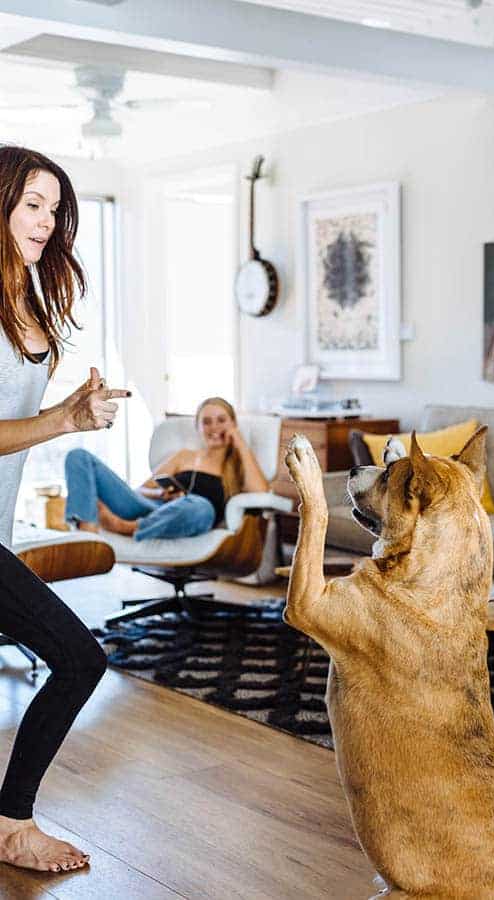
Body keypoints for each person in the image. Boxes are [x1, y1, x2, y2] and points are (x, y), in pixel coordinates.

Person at [0, 145, 130, 873]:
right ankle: (13, 824)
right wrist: (63, 423)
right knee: (80, 657)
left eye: (54, 208)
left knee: (75, 660)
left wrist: (71, 409)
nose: (47, 222)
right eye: (31, 205)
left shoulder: (31, 302)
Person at [64, 397, 269, 539]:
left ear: (233, 424)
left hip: (194, 517)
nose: (214, 427)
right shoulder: (184, 456)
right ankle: (87, 533)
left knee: (200, 505)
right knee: (78, 456)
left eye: (221, 420)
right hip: (152, 507)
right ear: (198, 427)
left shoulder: (239, 464)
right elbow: (141, 490)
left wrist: (239, 441)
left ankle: (125, 527)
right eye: (206, 422)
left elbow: (261, 493)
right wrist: (160, 493)